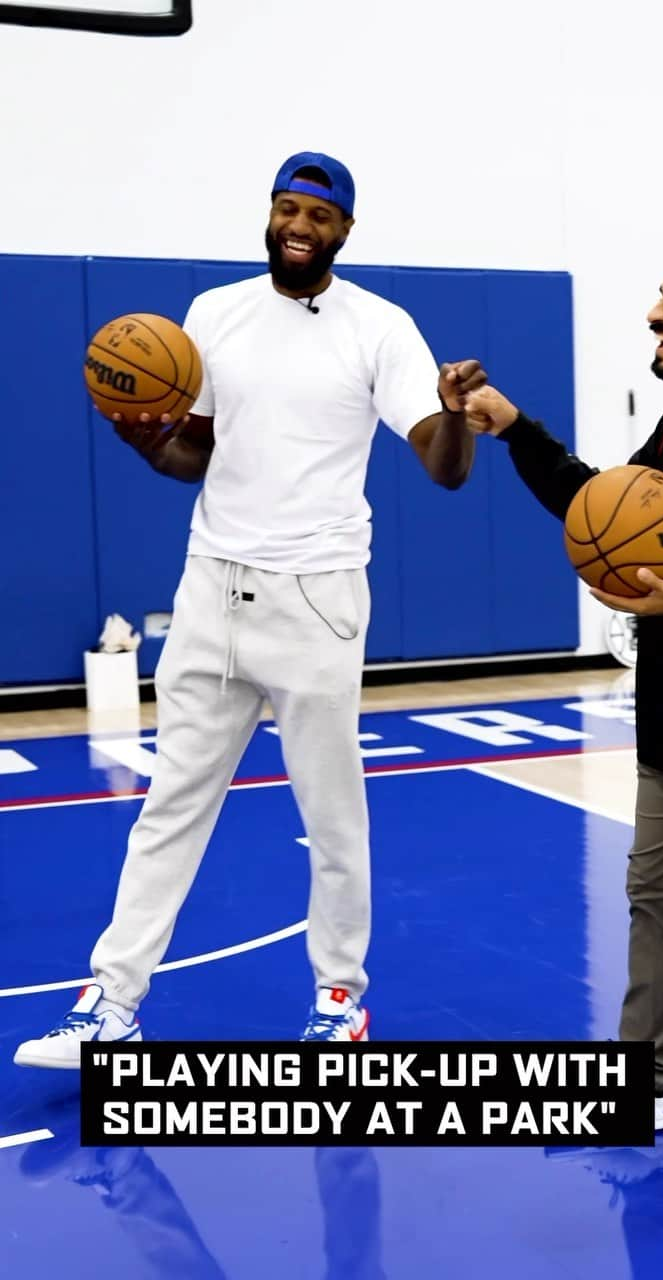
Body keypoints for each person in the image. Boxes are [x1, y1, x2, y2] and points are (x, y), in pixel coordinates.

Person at [14, 151, 483, 1063]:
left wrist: (456, 411)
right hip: (212, 589)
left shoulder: (381, 329)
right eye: (285, 207)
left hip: (317, 599)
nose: (298, 224)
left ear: (346, 230)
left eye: (318, 213)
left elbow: (443, 464)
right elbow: (196, 452)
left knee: (333, 817)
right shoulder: (211, 315)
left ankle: (340, 996)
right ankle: (111, 1002)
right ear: (268, 216)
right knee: (170, 804)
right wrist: (144, 441)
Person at [463, 239, 663, 1133]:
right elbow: (597, 504)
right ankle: (650, 1082)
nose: (655, 313)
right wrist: (513, 426)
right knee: (655, 899)